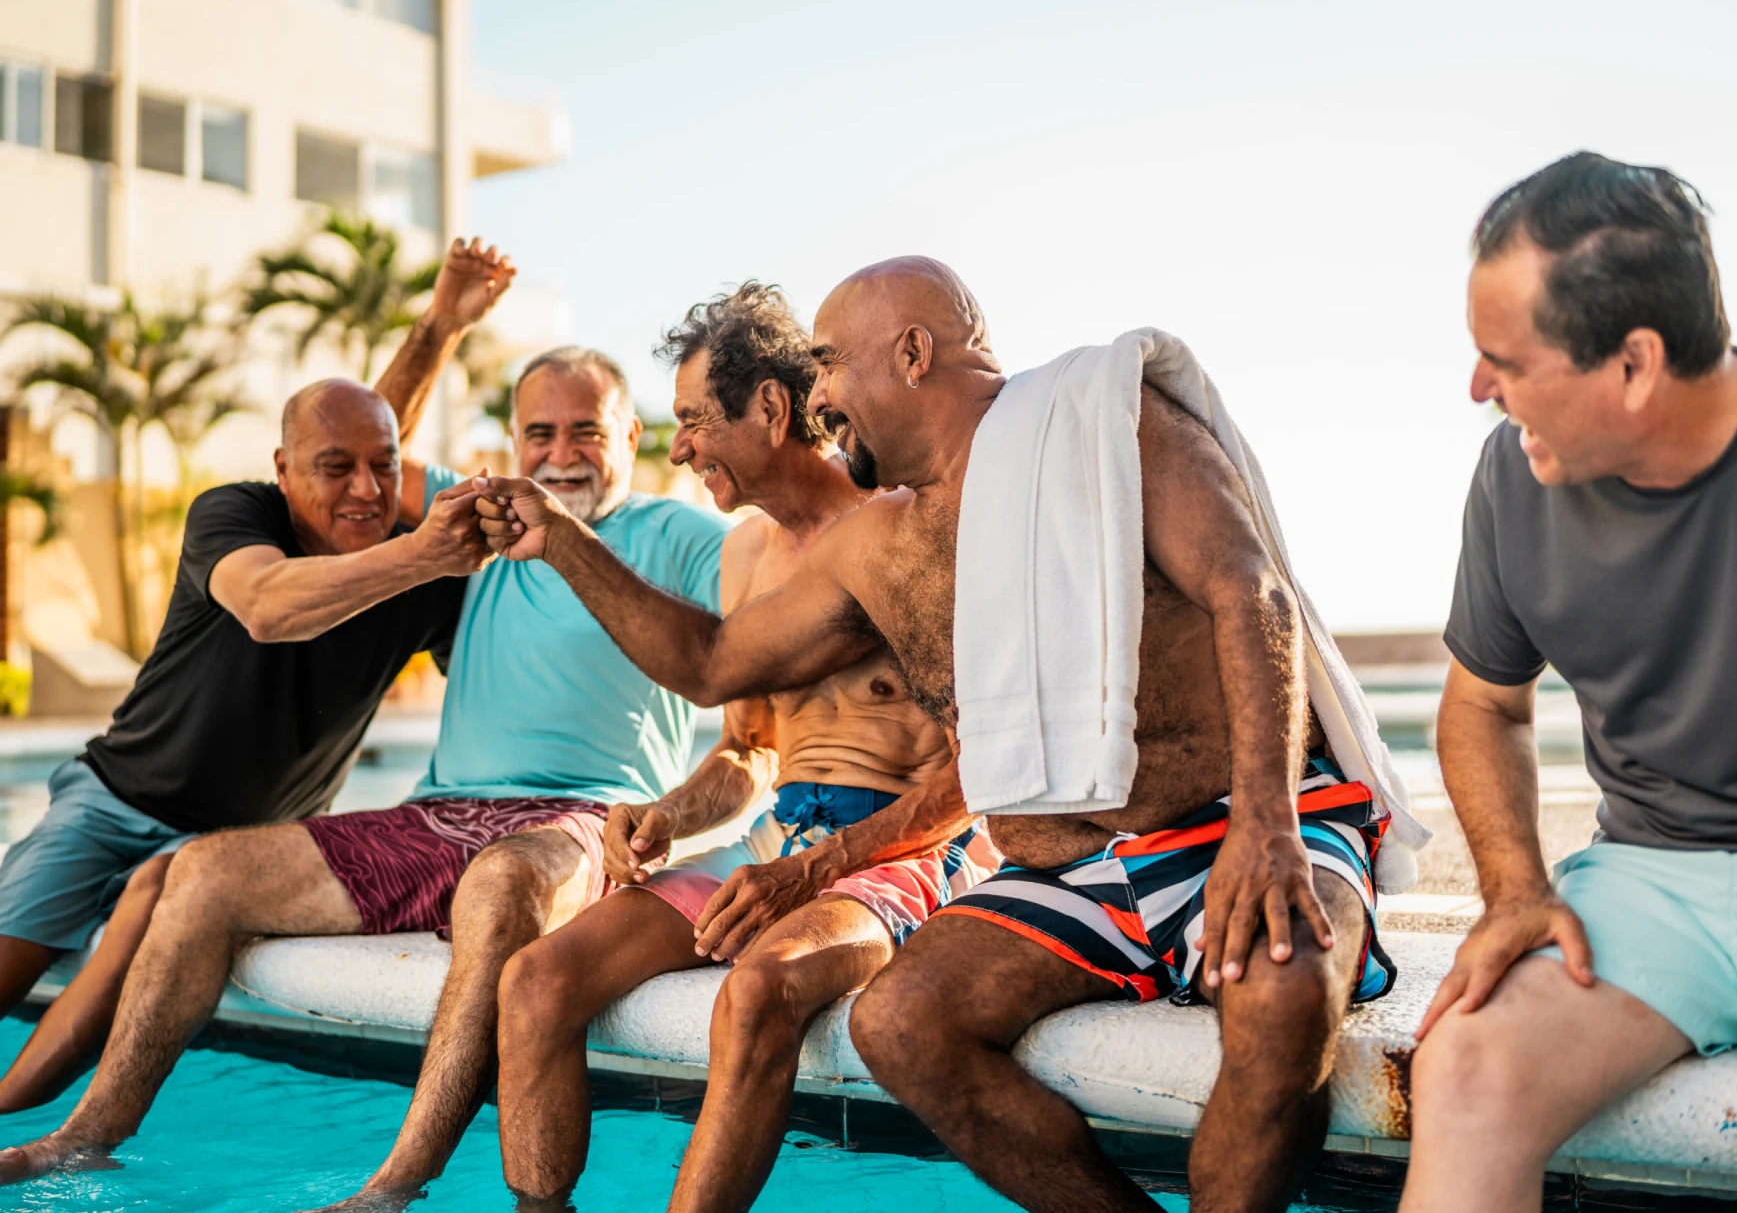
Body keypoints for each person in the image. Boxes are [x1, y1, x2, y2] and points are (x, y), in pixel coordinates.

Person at [474, 257, 1396, 1213]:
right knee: (902, 1025)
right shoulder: (878, 545)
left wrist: (1267, 824)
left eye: (828, 363)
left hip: (1235, 820)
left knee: (1286, 1000)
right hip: (1076, 868)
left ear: (912, 352)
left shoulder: (1106, 425)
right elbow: (711, 662)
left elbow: (1248, 592)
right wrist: (563, 539)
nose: (817, 391)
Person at [0, 326, 727, 1202]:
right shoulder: (483, 513)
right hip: (440, 807)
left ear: (632, 438)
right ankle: (84, 1136)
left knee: (499, 887)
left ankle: (393, 1183)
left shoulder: (684, 535)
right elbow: (356, 452)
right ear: (513, 442)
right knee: (203, 872)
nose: (560, 454)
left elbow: (746, 693)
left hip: (584, 813)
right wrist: (441, 324)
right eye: (540, 434)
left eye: (587, 432)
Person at [1403, 152, 1737, 1213]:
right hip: (1648, 885)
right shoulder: (1516, 472)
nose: (1479, 389)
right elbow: (1484, 706)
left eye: (1503, 357)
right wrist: (1515, 889)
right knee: (1462, 1068)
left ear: (1636, 365)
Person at [495, 283, 996, 1212]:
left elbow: (990, 771)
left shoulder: (908, 530)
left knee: (758, 989)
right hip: (780, 839)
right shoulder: (743, 552)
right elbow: (750, 751)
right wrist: (670, 815)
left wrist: (816, 875)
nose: (677, 445)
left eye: (692, 419)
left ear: (769, 409)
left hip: (909, 849)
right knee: (536, 980)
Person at [0, 236, 513, 1116]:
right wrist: (422, 548)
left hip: (232, 849)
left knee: (159, 908)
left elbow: (363, 451)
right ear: (283, 472)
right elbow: (271, 604)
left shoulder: (420, 574)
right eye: (332, 470)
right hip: (114, 796)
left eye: (384, 470)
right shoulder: (236, 514)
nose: (364, 488)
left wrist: (438, 331)